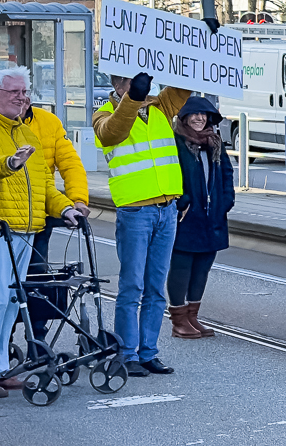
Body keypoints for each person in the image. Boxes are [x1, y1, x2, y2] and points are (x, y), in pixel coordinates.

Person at [0, 66, 89, 398]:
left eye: (25, 93)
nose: (22, 98)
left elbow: (43, 187)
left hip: (26, 229)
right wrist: (8, 163)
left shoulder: (26, 135)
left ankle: (0, 366)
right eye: (15, 92)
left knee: (13, 300)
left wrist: (66, 207)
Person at [94, 70, 193, 376]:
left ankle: (148, 351)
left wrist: (202, 40)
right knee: (132, 285)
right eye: (136, 81)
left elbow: (184, 85)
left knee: (155, 288)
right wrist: (133, 96)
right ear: (118, 83)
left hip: (166, 208)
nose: (146, 86)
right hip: (136, 211)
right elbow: (112, 133)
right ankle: (127, 353)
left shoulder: (158, 107)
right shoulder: (104, 114)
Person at [169, 96, 234, 339]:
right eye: (194, 114)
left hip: (213, 216)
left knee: (203, 268)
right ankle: (178, 320)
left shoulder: (214, 142)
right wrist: (182, 200)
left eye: (203, 115)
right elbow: (170, 173)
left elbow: (226, 172)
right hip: (187, 216)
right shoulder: (175, 142)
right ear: (184, 117)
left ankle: (192, 316)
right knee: (181, 267)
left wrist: (226, 201)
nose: (199, 118)